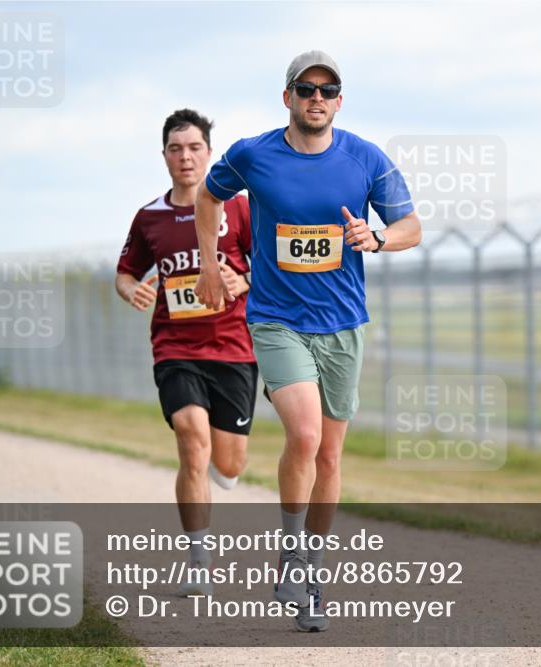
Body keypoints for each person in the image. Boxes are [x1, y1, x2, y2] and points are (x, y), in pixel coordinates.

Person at [194, 50, 421, 631]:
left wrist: (375, 237)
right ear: (288, 97)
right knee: (304, 432)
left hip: (343, 324)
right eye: (305, 88)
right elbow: (208, 197)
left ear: (339, 101)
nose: (316, 98)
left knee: (329, 455)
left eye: (328, 89)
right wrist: (211, 266)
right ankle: (293, 547)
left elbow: (410, 228)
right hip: (276, 320)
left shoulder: (365, 158)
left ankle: (306, 567)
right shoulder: (254, 154)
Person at [116, 108, 257, 597]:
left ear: (209, 154)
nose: (185, 157)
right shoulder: (149, 216)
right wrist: (130, 289)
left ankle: (227, 465)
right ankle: (199, 559)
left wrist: (246, 279)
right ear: (164, 157)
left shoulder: (238, 208)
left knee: (230, 466)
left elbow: (271, 268)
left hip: (235, 348)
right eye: (176, 149)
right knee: (190, 436)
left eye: (194, 147)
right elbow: (125, 271)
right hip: (175, 346)